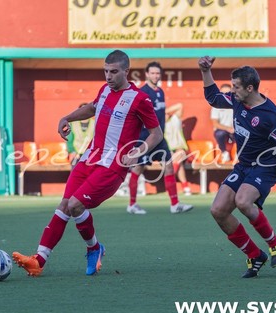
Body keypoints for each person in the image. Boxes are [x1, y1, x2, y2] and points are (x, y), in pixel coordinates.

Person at [12, 50, 163, 277]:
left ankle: (93, 248)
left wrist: (137, 152)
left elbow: (156, 134)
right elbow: (92, 108)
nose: (108, 76)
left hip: (113, 165)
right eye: (105, 71)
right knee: (65, 205)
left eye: (113, 72)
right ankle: (39, 261)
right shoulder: (104, 90)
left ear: (126, 71)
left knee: (75, 205)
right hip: (89, 158)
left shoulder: (140, 99)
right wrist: (67, 117)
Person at [198, 56, 276, 278]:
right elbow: (213, 97)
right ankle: (255, 255)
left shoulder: (272, 117)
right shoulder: (238, 100)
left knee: (243, 201)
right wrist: (205, 70)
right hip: (244, 166)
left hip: (266, 167)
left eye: (236, 86)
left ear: (249, 87)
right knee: (218, 210)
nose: (232, 90)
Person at [127, 61, 193, 215]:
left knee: (169, 165)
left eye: (158, 73)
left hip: (160, 139)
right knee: (138, 168)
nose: (156, 76)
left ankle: (175, 204)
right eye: (153, 73)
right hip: (144, 138)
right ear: (147, 74)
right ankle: (132, 204)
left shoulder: (161, 92)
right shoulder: (141, 93)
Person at [165, 103, 191, 196]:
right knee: (178, 163)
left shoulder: (175, 119)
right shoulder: (158, 125)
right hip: (167, 152)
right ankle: (185, 186)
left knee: (179, 154)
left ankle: (170, 179)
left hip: (180, 149)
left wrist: (164, 110)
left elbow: (180, 105)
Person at [210, 83, 235, 163]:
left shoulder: (237, 104)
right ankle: (224, 153)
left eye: (227, 93)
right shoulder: (216, 106)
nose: (225, 95)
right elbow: (215, 124)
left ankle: (240, 155)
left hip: (235, 131)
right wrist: (228, 128)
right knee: (219, 134)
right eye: (223, 93)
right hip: (223, 131)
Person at [66, 102, 95, 167]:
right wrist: (72, 151)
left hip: (90, 154)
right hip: (76, 154)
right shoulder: (73, 123)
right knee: (75, 174)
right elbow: (69, 139)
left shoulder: (95, 123)